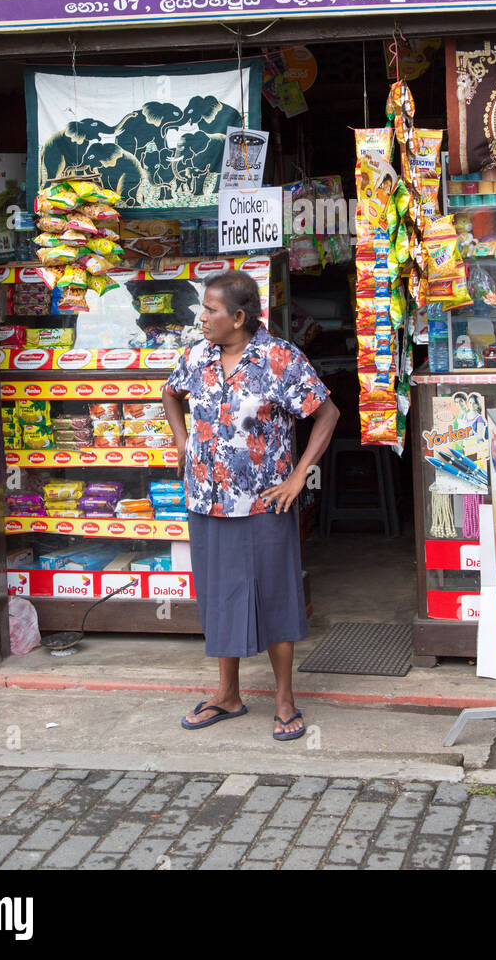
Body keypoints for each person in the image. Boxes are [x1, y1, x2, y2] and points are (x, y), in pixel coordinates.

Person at [162, 269, 339, 740]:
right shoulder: (197, 356)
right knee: (220, 597)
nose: (202, 318)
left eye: (211, 310)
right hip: (206, 500)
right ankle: (227, 694)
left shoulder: (279, 359)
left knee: (275, 597)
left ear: (239, 317)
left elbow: (327, 412)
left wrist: (300, 474)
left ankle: (284, 700)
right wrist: (182, 442)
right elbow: (169, 392)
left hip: (265, 503)